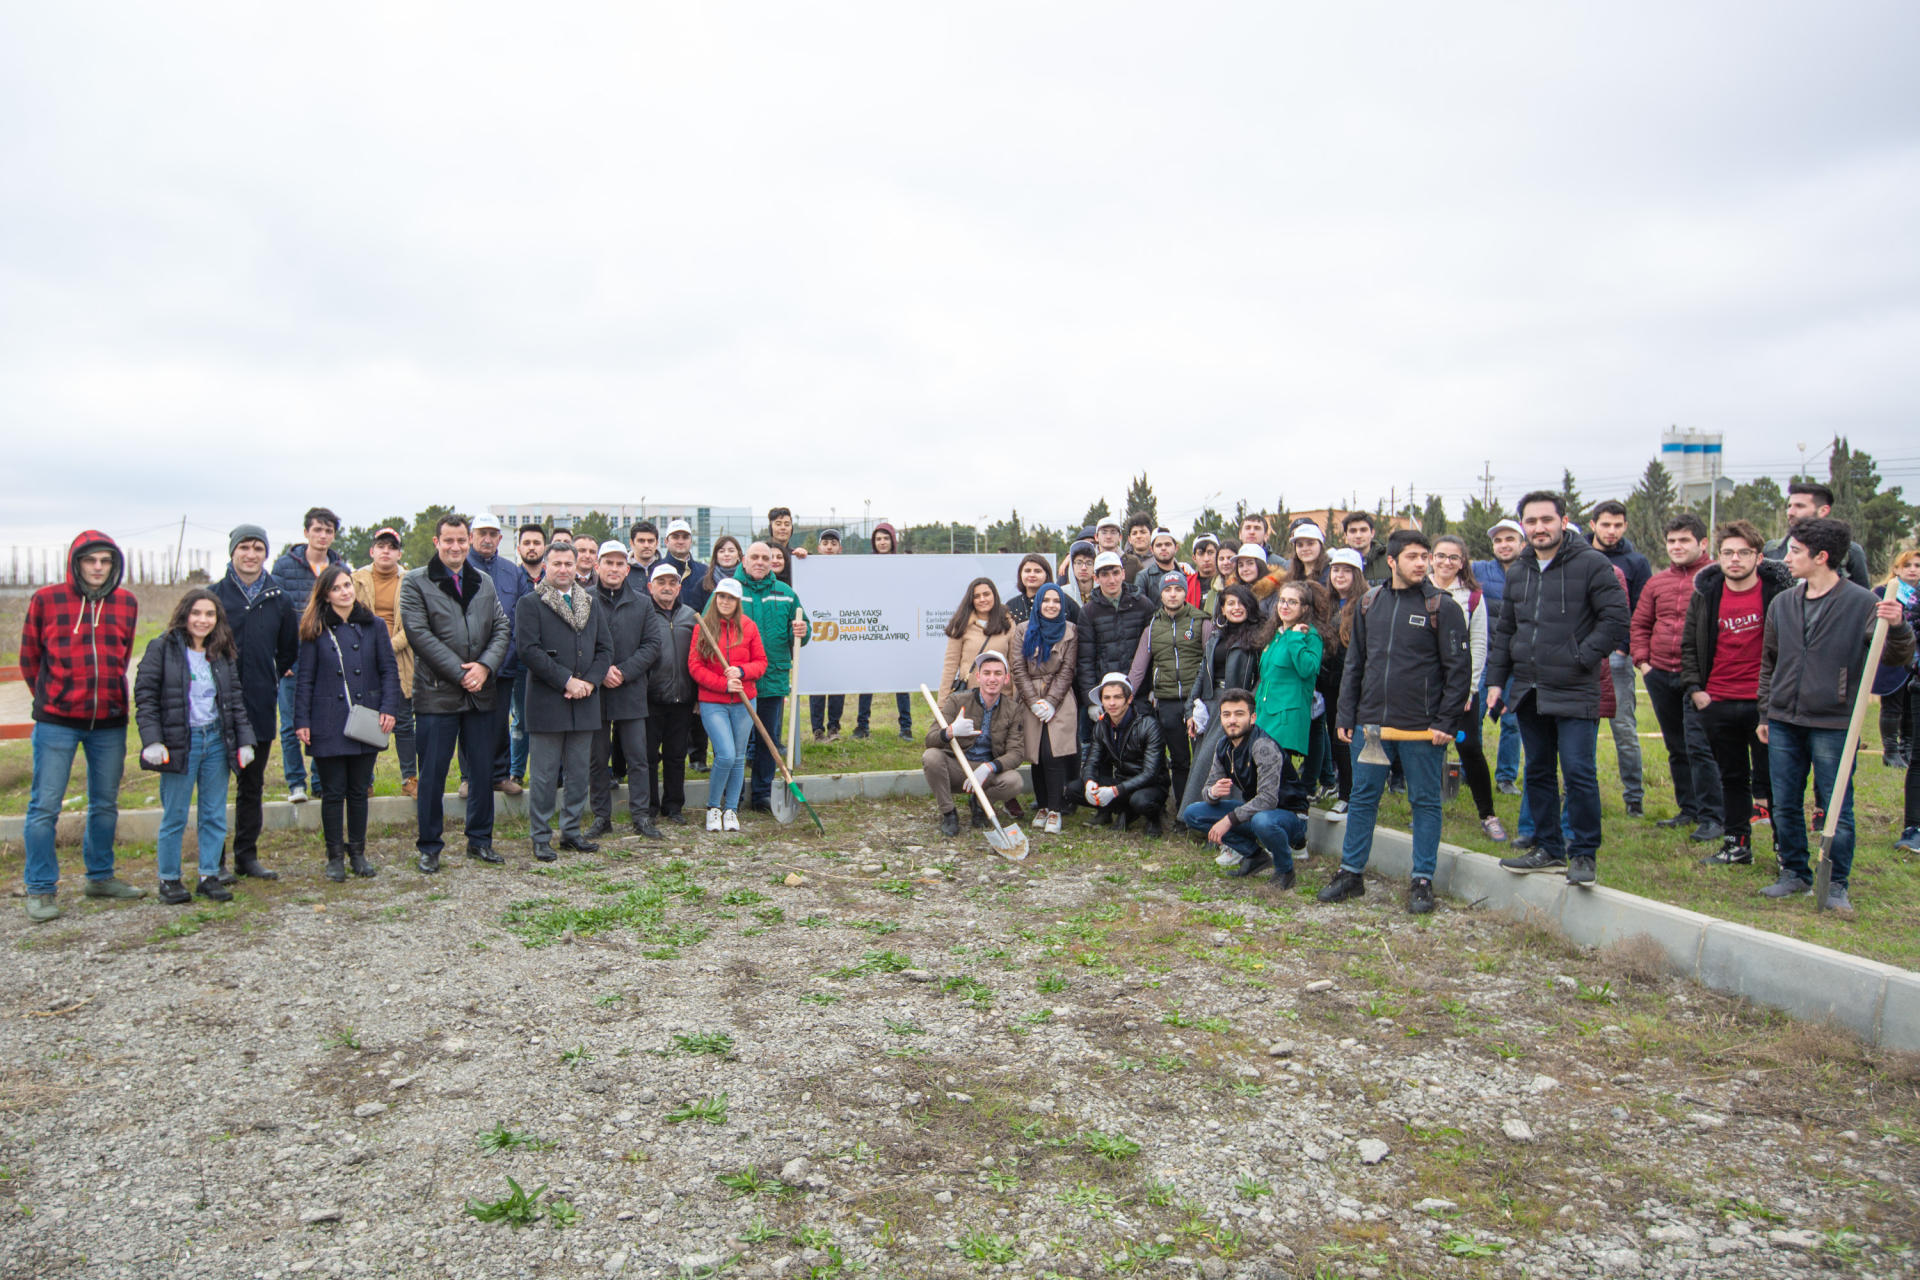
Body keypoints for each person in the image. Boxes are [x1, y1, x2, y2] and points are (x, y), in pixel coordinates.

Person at [1753, 518, 1914, 915]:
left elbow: (1896, 657)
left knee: (1836, 804)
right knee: (1785, 802)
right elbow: (1769, 662)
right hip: (1785, 719)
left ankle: (1836, 881)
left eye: (1794, 550)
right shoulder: (1783, 602)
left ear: (1821, 557)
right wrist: (1765, 712)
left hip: (1834, 722)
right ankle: (1794, 871)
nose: (1786, 557)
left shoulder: (1863, 604)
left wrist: (1897, 627)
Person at [1487, 492, 1631, 886]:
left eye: (1546, 520)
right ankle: (1549, 848)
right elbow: (1507, 631)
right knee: (1537, 771)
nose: (1539, 528)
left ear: (1563, 521)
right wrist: (1496, 681)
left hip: (1575, 688)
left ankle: (1583, 853)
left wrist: (1580, 657)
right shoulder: (1520, 570)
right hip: (1530, 689)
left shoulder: (1592, 564)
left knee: (1579, 772)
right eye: (1531, 521)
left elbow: (1616, 620)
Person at [1323, 530, 1470, 913]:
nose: (1422, 563)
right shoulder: (1370, 602)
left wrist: (1446, 722)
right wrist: (1347, 713)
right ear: (1391, 560)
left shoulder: (1443, 607)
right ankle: (1350, 872)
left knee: (1424, 802)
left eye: (1426, 556)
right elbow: (1355, 663)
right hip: (1372, 728)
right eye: (1413, 556)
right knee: (1362, 798)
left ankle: (1422, 880)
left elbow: (1459, 672)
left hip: (1423, 730)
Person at [19, 531, 145, 921]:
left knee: (105, 804)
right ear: (76, 563)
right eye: (90, 560)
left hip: (108, 722)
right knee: (45, 805)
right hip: (57, 722)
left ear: (113, 565)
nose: (97, 567)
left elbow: (122, 656)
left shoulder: (125, 602)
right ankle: (40, 888)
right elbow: (29, 658)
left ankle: (100, 877)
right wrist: (53, 697)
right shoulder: (47, 599)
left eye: (105, 561)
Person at [400, 514, 512, 873]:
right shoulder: (416, 581)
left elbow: (501, 628)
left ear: (468, 541)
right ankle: (430, 846)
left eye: (461, 541)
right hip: (437, 694)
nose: (456, 547)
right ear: (436, 542)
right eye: (448, 540)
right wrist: (461, 674)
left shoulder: (483, 581)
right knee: (432, 773)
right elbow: (419, 635)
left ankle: (480, 840)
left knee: (482, 771)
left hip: (481, 692)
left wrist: (484, 668)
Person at [1679, 520, 1792, 867]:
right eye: (1728, 552)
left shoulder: (1778, 595)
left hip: (1765, 705)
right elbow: (1689, 645)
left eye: (1744, 552)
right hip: (1718, 701)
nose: (1735, 559)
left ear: (1758, 556)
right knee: (1731, 777)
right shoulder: (1707, 595)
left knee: (1773, 780)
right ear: (1718, 557)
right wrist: (1697, 690)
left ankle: (1785, 848)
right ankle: (1737, 844)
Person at [136, 590, 255, 904]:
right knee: (175, 815)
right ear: (184, 614)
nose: (203, 620)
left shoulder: (222, 652)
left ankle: (208, 876)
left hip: (216, 741)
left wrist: (245, 740)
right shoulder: (162, 648)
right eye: (197, 613)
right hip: (180, 744)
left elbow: (235, 701)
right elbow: (146, 698)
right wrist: (152, 740)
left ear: (217, 619)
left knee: (214, 814)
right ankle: (169, 879)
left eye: (210, 614)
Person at [295, 566, 400, 881]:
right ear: (326, 594)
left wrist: (388, 707)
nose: (345, 592)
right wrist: (302, 720)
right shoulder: (314, 629)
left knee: (358, 790)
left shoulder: (374, 626)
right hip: (327, 720)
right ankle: (335, 857)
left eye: (348, 585)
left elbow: (388, 671)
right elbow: (305, 679)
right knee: (332, 792)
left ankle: (358, 853)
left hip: (366, 718)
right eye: (337, 588)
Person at [212, 524, 300, 882]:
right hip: (218, 706)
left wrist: (267, 678)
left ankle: (246, 856)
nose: (251, 554)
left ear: (266, 554)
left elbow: (288, 650)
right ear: (232, 552)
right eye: (244, 548)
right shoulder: (214, 597)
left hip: (260, 705)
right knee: (216, 786)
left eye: (258, 548)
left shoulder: (279, 599)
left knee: (252, 785)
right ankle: (212, 860)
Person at [515, 541, 613, 860]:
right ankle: (541, 836)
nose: (563, 569)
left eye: (568, 564)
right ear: (546, 565)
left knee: (579, 772)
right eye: (556, 563)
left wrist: (588, 682)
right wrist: (566, 680)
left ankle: (571, 832)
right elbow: (529, 651)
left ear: (577, 566)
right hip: (548, 701)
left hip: (584, 700)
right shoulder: (531, 603)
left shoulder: (590, 602)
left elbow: (605, 650)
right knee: (544, 776)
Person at [1631, 513, 1724, 842]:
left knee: (1701, 747)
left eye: (1684, 540)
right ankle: (1689, 809)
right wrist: (1644, 663)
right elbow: (1640, 623)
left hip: (1700, 679)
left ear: (1702, 543)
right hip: (1659, 674)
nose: (1676, 546)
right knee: (1676, 746)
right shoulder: (1657, 583)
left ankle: (1714, 816)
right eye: (1671, 541)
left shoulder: (1717, 579)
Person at [1181, 688, 1310, 885]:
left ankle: (1285, 871)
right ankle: (1254, 856)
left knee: (1263, 821)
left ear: (1252, 718)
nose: (1232, 720)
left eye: (1239, 714)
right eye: (1226, 714)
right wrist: (1212, 793)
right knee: (1193, 813)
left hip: (1289, 815)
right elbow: (1207, 788)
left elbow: (1268, 799)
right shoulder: (1223, 745)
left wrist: (1229, 820)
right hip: (1256, 812)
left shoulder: (1262, 746)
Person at [1428, 536, 1505, 841]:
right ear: (1431, 558)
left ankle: (1488, 814)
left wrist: (1469, 690)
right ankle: (1428, 811)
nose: (1447, 562)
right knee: (1428, 751)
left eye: (1454, 558)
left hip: (1459, 690)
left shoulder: (1472, 596)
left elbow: (1478, 644)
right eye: (1441, 556)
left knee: (1469, 748)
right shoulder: (1419, 589)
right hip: (1425, 689)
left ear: (1463, 562)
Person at [588, 542, 667, 840]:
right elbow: (580, 645)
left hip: (631, 689)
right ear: (597, 567)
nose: (614, 568)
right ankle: (600, 816)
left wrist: (623, 672)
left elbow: (651, 645)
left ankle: (641, 817)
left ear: (627, 568)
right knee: (597, 758)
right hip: (595, 692)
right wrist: (602, 671)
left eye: (620, 563)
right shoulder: (585, 600)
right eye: (608, 562)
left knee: (638, 757)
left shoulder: (642, 603)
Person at [270, 507, 345, 803]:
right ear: (306, 533)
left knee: (324, 722)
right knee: (290, 724)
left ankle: (319, 780)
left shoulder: (339, 568)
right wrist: (281, 657)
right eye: (317, 530)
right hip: (294, 658)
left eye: (328, 531)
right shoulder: (285, 567)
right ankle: (295, 783)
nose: (322, 536)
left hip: (327, 659)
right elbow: (274, 613)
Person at [1127, 569, 1211, 809]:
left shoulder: (1201, 620)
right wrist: (1125, 694)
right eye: (1167, 590)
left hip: (1196, 701)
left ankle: (1204, 807)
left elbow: (1210, 661)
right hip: (1167, 701)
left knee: (1203, 757)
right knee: (1179, 759)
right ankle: (1182, 810)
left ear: (1185, 592)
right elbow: (1138, 668)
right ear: (1160, 594)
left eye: (1178, 589)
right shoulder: (1152, 626)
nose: (1173, 594)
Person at [687, 577, 767, 832]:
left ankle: (731, 809)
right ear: (716, 598)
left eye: (730, 598)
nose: (725, 601)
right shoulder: (704, 628)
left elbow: (761, 663)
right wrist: (723, 684)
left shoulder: (749, 627)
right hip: (713, 702)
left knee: (739, 757)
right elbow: (695, 666)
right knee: (726, 754)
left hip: (744, 701)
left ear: (737, 602)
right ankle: (713, 807)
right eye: (721, 596)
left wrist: (742, 672)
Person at [1587, 499, 1650, 818]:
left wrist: (1624, 647)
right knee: (1581, 729)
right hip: (1583, 657)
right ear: (1593, 524)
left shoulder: (1635, 563)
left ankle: (1634, 796)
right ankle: (1579, 793)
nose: (1611, 531)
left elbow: (1639, 608)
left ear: (1625, 526)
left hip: (1616, 656)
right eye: (1605, 524)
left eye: (1618, 525)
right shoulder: (1577, 555)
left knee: (1624, 728)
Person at [736, 541, 809, 811]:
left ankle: (762, 794)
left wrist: (802, 630)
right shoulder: (731, 592)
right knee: (737, 741)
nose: (759, 562)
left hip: (773, 679)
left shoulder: (786, 593)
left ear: (772, 562)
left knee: (769, 740)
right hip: (739, 681)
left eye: (765, 558)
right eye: (754, 557)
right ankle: (731, 794)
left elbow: (802, 630)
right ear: (744, 561)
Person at [466, 514, 535, 797]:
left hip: (505, 662)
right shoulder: (461, 567)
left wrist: (501, 659)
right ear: (471, 536)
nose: (487, 539)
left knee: (500, 722)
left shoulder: (512, 571)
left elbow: (519, 617)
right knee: (469, 722)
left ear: (500, 539)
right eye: (482, 533)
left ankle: (499, 774)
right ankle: (470, 777)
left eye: (493, 534)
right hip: (469, 665)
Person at [923, 650, 1028, 837]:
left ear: (1006, 678)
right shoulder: (957, 701)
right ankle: (949, 813)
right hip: (958, 767)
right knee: (931, 757)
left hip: (986, 772)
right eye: (987, 673)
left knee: (1014, 781)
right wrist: (950, 731)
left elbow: (1016, 752)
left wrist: (990, 767)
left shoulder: (1012, 709)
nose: (992, 679)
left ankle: (979, 804)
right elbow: (930, 739)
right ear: (978, 677)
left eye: (998, 673)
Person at [1183, 584, 1268, 811]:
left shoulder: (1259, 636)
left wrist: (1247, 706)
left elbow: (1263, 676)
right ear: (1222, 607)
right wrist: (1190, 708)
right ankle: (1199, 815)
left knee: (1219, 760)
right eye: (1230, 603)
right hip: (1211, 703)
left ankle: (1230, 816)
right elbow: (1203, 672)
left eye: (1241, 603)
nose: (1236, 608)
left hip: (1238, 704)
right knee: (1204, 760)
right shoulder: (1217, 634)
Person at [351, 528, 417, 798]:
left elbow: (414, 623)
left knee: (403, 721)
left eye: (392, 547)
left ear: (399, 553)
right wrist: (370, 649)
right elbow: (349, 615)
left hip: (400, 657)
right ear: (372, 551)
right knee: (367, 719)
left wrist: (387, 649)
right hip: (363, 657)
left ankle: (409, 778)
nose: (386, 551)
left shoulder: (410, 581)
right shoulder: (356, 579)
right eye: (381, 546)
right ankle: (365, 781)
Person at [1009, 583, 1079, 835]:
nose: (1051, 605)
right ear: (1038, 603)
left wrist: (1050, 701)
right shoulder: (1022, 630)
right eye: (1046, 600)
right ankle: (1042, 804)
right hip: (1029, 699)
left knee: (1053, 754)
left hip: (1058, 699)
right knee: (1035, 755)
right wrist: (1032, 701)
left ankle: (1055, 809)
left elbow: (1067, 669)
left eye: (1056, 601)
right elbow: (1018, 667)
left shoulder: (1070, 630)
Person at [1076, 551, 1155, 753]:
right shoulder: (1088, 611)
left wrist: (1155, 687)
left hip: (1140, 693)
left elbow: (1154, 651)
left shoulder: (1143, 605)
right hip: (1106, 696)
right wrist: (1091, 701)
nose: (1111, 579)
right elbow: (1085, 659)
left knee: (1143, 750)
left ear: (1122, 573)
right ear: (1096, 578)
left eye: (1114, 573)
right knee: (1107, 752)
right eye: (1104, 575)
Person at [1473, 518, 1528, 795]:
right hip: (1484, 659)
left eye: (1510, 539)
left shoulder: (1533, 572)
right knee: (1475, 717)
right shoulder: (1479, 571)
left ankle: (1506, 776)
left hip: (1519, 663)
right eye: (1498, 540)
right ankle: (1474, 770)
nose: (1504, 545)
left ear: (1522, 543)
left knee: (1513, 722)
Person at [1077, 673, 1170, 835]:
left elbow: (1151, 773)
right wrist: (1089, 782)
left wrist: (1114, 791)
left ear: (1129, 699)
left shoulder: (1149, 725)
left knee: (1140, 800)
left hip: (1151, 786)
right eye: (1106, 698)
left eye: (1118, 697)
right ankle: (1126, 811)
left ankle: (1154, 818)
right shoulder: (1101, 725)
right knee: (1074, 789)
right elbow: (1092, 761)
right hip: (1122, 782)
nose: (1112, 703)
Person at [644, 562, 700, 826]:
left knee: (677, 755)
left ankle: (674, 805)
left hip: (683, 697)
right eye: (661, 583)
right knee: (648, 756)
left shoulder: (692, 616)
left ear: (679, 587)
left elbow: (701, 655)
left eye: (672, 583)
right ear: (650, 587)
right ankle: (650, 806)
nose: (667, 588)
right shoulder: (642, 613)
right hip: (650, 698)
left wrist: (698, 695)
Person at [855, 522, 913, 741]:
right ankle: (862, 726)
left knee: (901, 679)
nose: (882, 542)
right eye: (878, 539)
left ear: (892, 541)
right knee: (867, 678)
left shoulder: (902, 565)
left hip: (897, 628)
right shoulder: (866, 565)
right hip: (873, 628)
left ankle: (906, 727)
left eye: (885, 538)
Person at [1256, 580, 1324, 761]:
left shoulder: (1310, 636)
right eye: (1282, 600)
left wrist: (1295, 638)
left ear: (1305, 608)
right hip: (1264, 714)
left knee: (1277, 776)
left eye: (1292, 602)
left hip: (1286, 718)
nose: (1284, 606)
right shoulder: (1275, 634)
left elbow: (1307, 669)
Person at [1762, 483, 1872, 587]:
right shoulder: (1771, 550)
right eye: (1789, 506)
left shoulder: (1849, 552)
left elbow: (1863, 600)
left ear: (1823, 510)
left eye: (1799, 506)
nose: (1790, 512)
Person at [1876, 550, 1920, 775]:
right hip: (1892, 656)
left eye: (1917, 565)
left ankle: (1908, 749)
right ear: (1897, 569)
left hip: (1916, 658)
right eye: (1907, 565)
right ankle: (1890, 751)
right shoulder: (1883, 592)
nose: (1913, 569)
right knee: (1892, 705)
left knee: (1911, 707)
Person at [942, 577, 1015, 693]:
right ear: (971, 600)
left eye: (986, 594)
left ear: (994, 596)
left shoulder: (1008, 623)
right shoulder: (961, 624)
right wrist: (942, 705)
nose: (982, 599)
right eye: (977, 596)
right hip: (970, 697)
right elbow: (950, 666)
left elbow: (1014, 664)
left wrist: (1015, 702)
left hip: (1002, 698)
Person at [809, 529, 847, 741]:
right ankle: (817, 729)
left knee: (837, 682)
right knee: (817, 683)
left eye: (833, 543)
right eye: (825, 543)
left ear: (839, 548)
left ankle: (834, 727)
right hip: (818, 632)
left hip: (840, 631)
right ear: (819, 547)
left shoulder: (846, 570)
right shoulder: (809, 568)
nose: (829, 547)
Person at [1009, 553, 1082, 625]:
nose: (1032, 575)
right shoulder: (1011, 605)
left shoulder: (1064, 601)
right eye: (1027, 571)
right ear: (1020, 574)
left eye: (1037, 571)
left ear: (1047, 575)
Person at [658, 519, 709, 611]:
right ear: (666, 541)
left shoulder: (705, 572)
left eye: (685, 537)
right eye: (675, 537)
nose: (680, 541)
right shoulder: (656, 570)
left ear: (691, 541)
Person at [1132, 529, 1187, 598]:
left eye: (1167, 544)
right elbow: (1139, 605)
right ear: (1151, 550)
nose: (1163, 548)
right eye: (1159, 545)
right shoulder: (1144, 577)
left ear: (1176, 548)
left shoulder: (1186, 575)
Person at [1340, 511, 1390, 585]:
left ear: (1372, 533)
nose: (1358, 535)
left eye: (1363, 530)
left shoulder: (1389, 558)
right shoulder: (1338, 561)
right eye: (1353, 531)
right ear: (1345, 535)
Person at [1228, 545, 1278, 617]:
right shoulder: (1232, 592)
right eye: (1241, 565)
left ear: (1260, 565)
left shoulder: (1273, 592)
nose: (1245, 569)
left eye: (1250, 563)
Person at [766, 506, 806, 583]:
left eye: (787, 524)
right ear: (770, 528)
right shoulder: (761, 553)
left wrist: (805, 558)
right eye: (778, 524)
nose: (783, 528)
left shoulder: (796, 555)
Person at [1060, 539, 1099, 611]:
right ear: (1072, 566)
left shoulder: (1103, 593)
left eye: (1089, 563)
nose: (1084, 568)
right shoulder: (1062, 593)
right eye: (1079, 563)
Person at [1187, 534, 1221, 609]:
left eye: (1210, 552)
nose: (1206, 559)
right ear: (1194, 558)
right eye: (1200, 553)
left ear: (1218, 554)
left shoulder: (1227, 582)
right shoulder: (1186, 584)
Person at [1122, 513, 1155, 581]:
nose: (1138, 536)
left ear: (1151, 535)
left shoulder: (1160, 559)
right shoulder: (1123, 561)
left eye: (1143, 532)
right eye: (1134, 533)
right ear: (1129, 539)